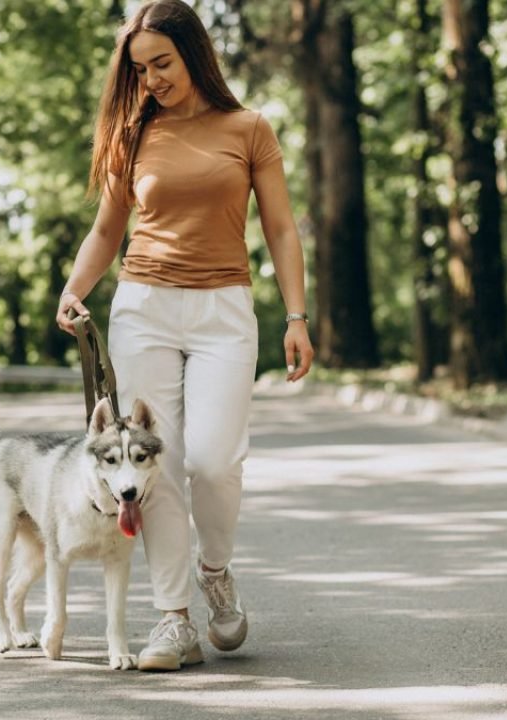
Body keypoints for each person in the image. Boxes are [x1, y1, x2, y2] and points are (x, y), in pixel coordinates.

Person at [54, 0, 314, 672]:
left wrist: (296, 316)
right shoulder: (133, 134)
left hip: (224, 309)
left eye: (162, 64)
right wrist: (73, 290)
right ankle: (174, 619)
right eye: (140, 70)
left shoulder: (248, 128)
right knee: (155, 468)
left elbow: (282, 229)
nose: (152, 80)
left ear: (195, 54)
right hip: (143, 308)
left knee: (213, 460)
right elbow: (108, 230)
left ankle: (215, 571)